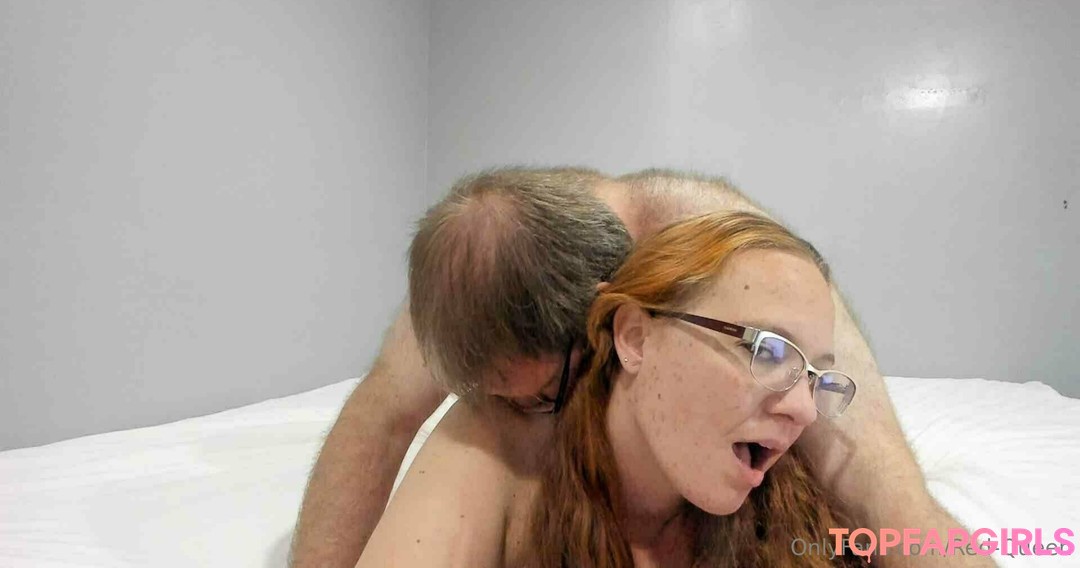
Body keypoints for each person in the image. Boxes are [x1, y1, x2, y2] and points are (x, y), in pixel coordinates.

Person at [290, 167, 990, 568]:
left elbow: (894, 505)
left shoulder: (740, 262)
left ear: (613, 331)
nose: (533, 419)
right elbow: (382, 417)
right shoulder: (467, 286)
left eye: (548, 395)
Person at [359, 210, 866, 567]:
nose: (805, 411)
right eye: (769, 350)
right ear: (635, 337)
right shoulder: (502, 450)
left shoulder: (793, 514)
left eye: (816, 378)